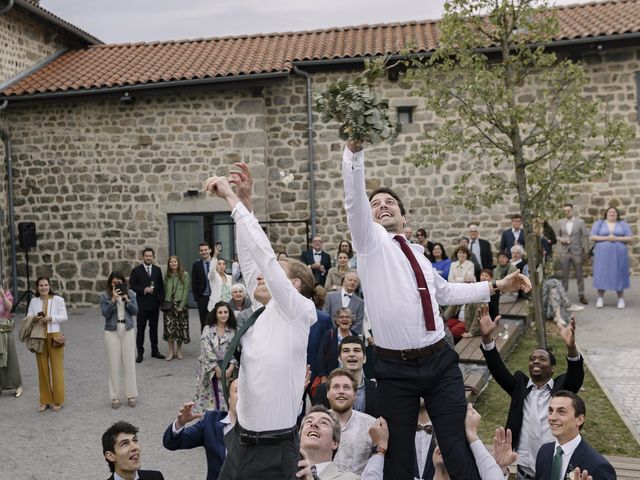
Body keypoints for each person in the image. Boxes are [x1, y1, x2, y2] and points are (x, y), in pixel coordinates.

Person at [341, 139, 531, 479]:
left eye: (389, 202)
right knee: (397, 454)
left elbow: (443, 291)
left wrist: (498, 286)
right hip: (394, 368)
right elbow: (354, 202)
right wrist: (354, 154)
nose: (382, 205)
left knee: (457, 445)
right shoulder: (370, 244)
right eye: (376, 204)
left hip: (439, 359)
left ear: (403, 215)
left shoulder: (416, 251)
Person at [204, 164, 318, 479]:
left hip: (275, 450)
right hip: (240, 444)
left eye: (277, 273)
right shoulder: (262, 308)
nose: (262, 276)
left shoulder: (298, 310)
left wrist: (230, 199)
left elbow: (264, 256)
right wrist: (246, 201)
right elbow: (252, 255)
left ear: (293, 285)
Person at [479, 308, 584, 479]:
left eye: (542, 359)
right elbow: (498, 369)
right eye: (532, 358)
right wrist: (486, 339)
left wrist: (571, 348)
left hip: (554, 469)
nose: (535, 360)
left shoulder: (562, 391)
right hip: (525, 469)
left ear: (553, 368)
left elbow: (576, 374)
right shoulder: (519, 388)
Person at [163, 379, 239, 480]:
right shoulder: (211, 422)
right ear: (228, 398)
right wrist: (180, 424)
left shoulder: (264, 427)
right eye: (238, 390)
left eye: (247, 391)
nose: (244, 394)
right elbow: (172, 443)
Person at [535, 391, 616, 480]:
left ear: (579, 420)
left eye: (561, 412)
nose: (552, 418)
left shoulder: (599, 466)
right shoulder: (544, 451)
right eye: (550, 411)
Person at [297, 405, 386, 480]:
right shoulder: (284, 473)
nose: (314, 424)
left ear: (335, 443)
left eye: (324, 423)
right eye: (309, 421)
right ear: (298, 438)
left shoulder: (351, 479)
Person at [27, 276, 68, 412]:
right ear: (37, 288)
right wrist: (36, 318)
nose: (43, 287)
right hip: (39, 337)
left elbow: (64, 317)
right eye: (41, 285)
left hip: (55, 336)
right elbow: (29, 317)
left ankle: (57, 400)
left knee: (57, 368)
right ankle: (45, 400)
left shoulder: (58, 300)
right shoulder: (33, 301)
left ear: (49, 286)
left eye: (46, 285)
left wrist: (51, 318)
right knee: (42, 369)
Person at [326, 368, 377, 474]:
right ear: (327, 393)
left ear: (355, 395)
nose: (341, 391)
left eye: (346, 387)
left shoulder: (371, 425)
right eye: (336, 387)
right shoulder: (313, 422)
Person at [99, 272, 138, 409]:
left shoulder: (131, 293)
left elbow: (135, 311)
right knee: (113, 365)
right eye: (114, 282)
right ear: (110, 283)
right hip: (112, 331)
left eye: (119, 282)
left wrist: (127, 300)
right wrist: (113, 300)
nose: (116, 285)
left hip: (127, 329)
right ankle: (114, 396)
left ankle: (131, 394)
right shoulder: (105, 296)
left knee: (129, 364)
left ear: (123, 282)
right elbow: (105, 313)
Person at [313, 336, 378, 418]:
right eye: (346, 351)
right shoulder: (324, 389)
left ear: (364, 358)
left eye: (356, 350)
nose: (351, 354)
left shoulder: (376, 389)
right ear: (339, 358)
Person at [194, 301, 237, 414]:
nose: (223, 315)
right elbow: (206, 350)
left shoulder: (233, 330)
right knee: (210, 401)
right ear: (215, 314)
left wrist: (230, 368)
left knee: (225, 399)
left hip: (227, 369)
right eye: (220, 312)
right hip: (209, 369)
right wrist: (216, 368)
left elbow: (236, 350)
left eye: (226, 312)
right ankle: (210, 423)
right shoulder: (207, 329)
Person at [590, 206, 633, 309]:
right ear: (606, 213)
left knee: (619, 274)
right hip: (602, 255)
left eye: (614, 212)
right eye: (610, 212)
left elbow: (630, 238)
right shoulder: (599, 223)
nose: (612, 213)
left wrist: (616, 238)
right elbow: (592, 237)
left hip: (619, 255)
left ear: (617, 214)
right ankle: (600, 298)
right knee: (602, 273)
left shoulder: (623, 224)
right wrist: (607, 238)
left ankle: (621, 299)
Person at [129, 247, 165, 362]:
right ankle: (140, 353)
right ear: (143, 257)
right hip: (142, 305)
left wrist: (161, 302)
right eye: (146, 256)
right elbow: (132, 286)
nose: (148, 258)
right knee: (141, 330)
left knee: (154, 329)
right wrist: (144, 289)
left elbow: (160, 287)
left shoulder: (157, 270)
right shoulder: (136, 271)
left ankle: (155, 351)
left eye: (150, 256)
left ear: (153, 257)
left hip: (154, 305)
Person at [316, 309, 356, 382]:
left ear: (351, 321)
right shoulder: (329, 335)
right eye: (341, 317)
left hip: (351, 378)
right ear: (337, 321)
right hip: (332, 378)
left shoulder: (355, 336)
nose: (344, 319)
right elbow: (321, 356)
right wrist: (323, 376)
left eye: (347, 317)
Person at [163, 255, 190, 361]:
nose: (173, 263)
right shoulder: (167, 275)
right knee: (169, 328)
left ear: (178, 263)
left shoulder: (185, 275)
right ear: (169, 264)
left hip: (180, 304)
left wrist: (181, 305)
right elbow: (165, 288)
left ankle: (179, 350)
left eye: (175, 262)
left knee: (180, 329)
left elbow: (186, 289)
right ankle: (171, 351)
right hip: (169, 305)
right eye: (171, 262)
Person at [0, 284, 22, 398]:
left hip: (4, 329)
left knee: (10, 358)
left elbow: (9, 308)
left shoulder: (6, 293)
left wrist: (3, 296)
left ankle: (17, 385)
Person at [192, 242, 214, 332]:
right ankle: (204, 345)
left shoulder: (215, 262)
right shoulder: (196, 265)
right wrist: (197, 299)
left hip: (214, 297)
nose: (204, 252)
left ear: (210, 250)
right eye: (201, 250)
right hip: (203, 298)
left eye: (205, 250)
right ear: (199, 252)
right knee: (204, 323)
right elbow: (194, 283)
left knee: (215, 321)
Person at [207, 244, 233, 311]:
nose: (222, 266)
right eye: (219, 264)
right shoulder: (213, 276)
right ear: (216, 266)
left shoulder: (229, 277)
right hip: (216, 306)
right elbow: (212, 269)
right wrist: (215, 255)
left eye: (224, 264)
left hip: (228, 306)